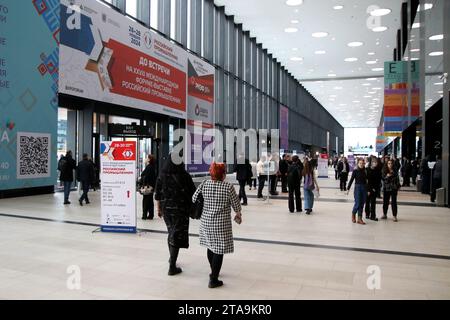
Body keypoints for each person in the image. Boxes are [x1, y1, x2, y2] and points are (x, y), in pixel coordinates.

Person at [192, 162, 242, 288]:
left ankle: (213, 271)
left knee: (210, 246)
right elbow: (236, 206)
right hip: (221, 224)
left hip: (206, 222)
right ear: (223, 174)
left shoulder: (204, 184)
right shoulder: (228, 187)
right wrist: (238, 214)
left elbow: (194, 198)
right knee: (219, 250)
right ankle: (214, 279)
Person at [155, 156, 196, 276]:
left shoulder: (162, 175)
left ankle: (172, 258)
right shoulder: (185, 176)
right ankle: (172, 265)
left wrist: (159, 209)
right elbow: (193, 192)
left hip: (166, 209)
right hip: (181, 210)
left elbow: (157, 194)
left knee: (171, 233)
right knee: (176, 235)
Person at [347, 158, 368, 225]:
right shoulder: (355, 171)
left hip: (364, 188)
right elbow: (351, 180)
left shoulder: (365, 171)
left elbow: (367, 181)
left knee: (362, 203)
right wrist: (348, 189)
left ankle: (359, 218)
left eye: (362, 163)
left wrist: (368, 190)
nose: (361, 164)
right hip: (358, 188)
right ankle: (353, 214)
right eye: (360, 163)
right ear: (358, 164)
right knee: (358, 203)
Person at [140, 155, 157, 220]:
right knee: (150, 201)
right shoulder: (152, 167)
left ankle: (144, 215)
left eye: (147, 158)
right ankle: (151, 215)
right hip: (151, 187)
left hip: (147, 187)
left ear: (149, 159)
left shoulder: (149, 167)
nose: (146, 159)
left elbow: (144, 175)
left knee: (145, 201)